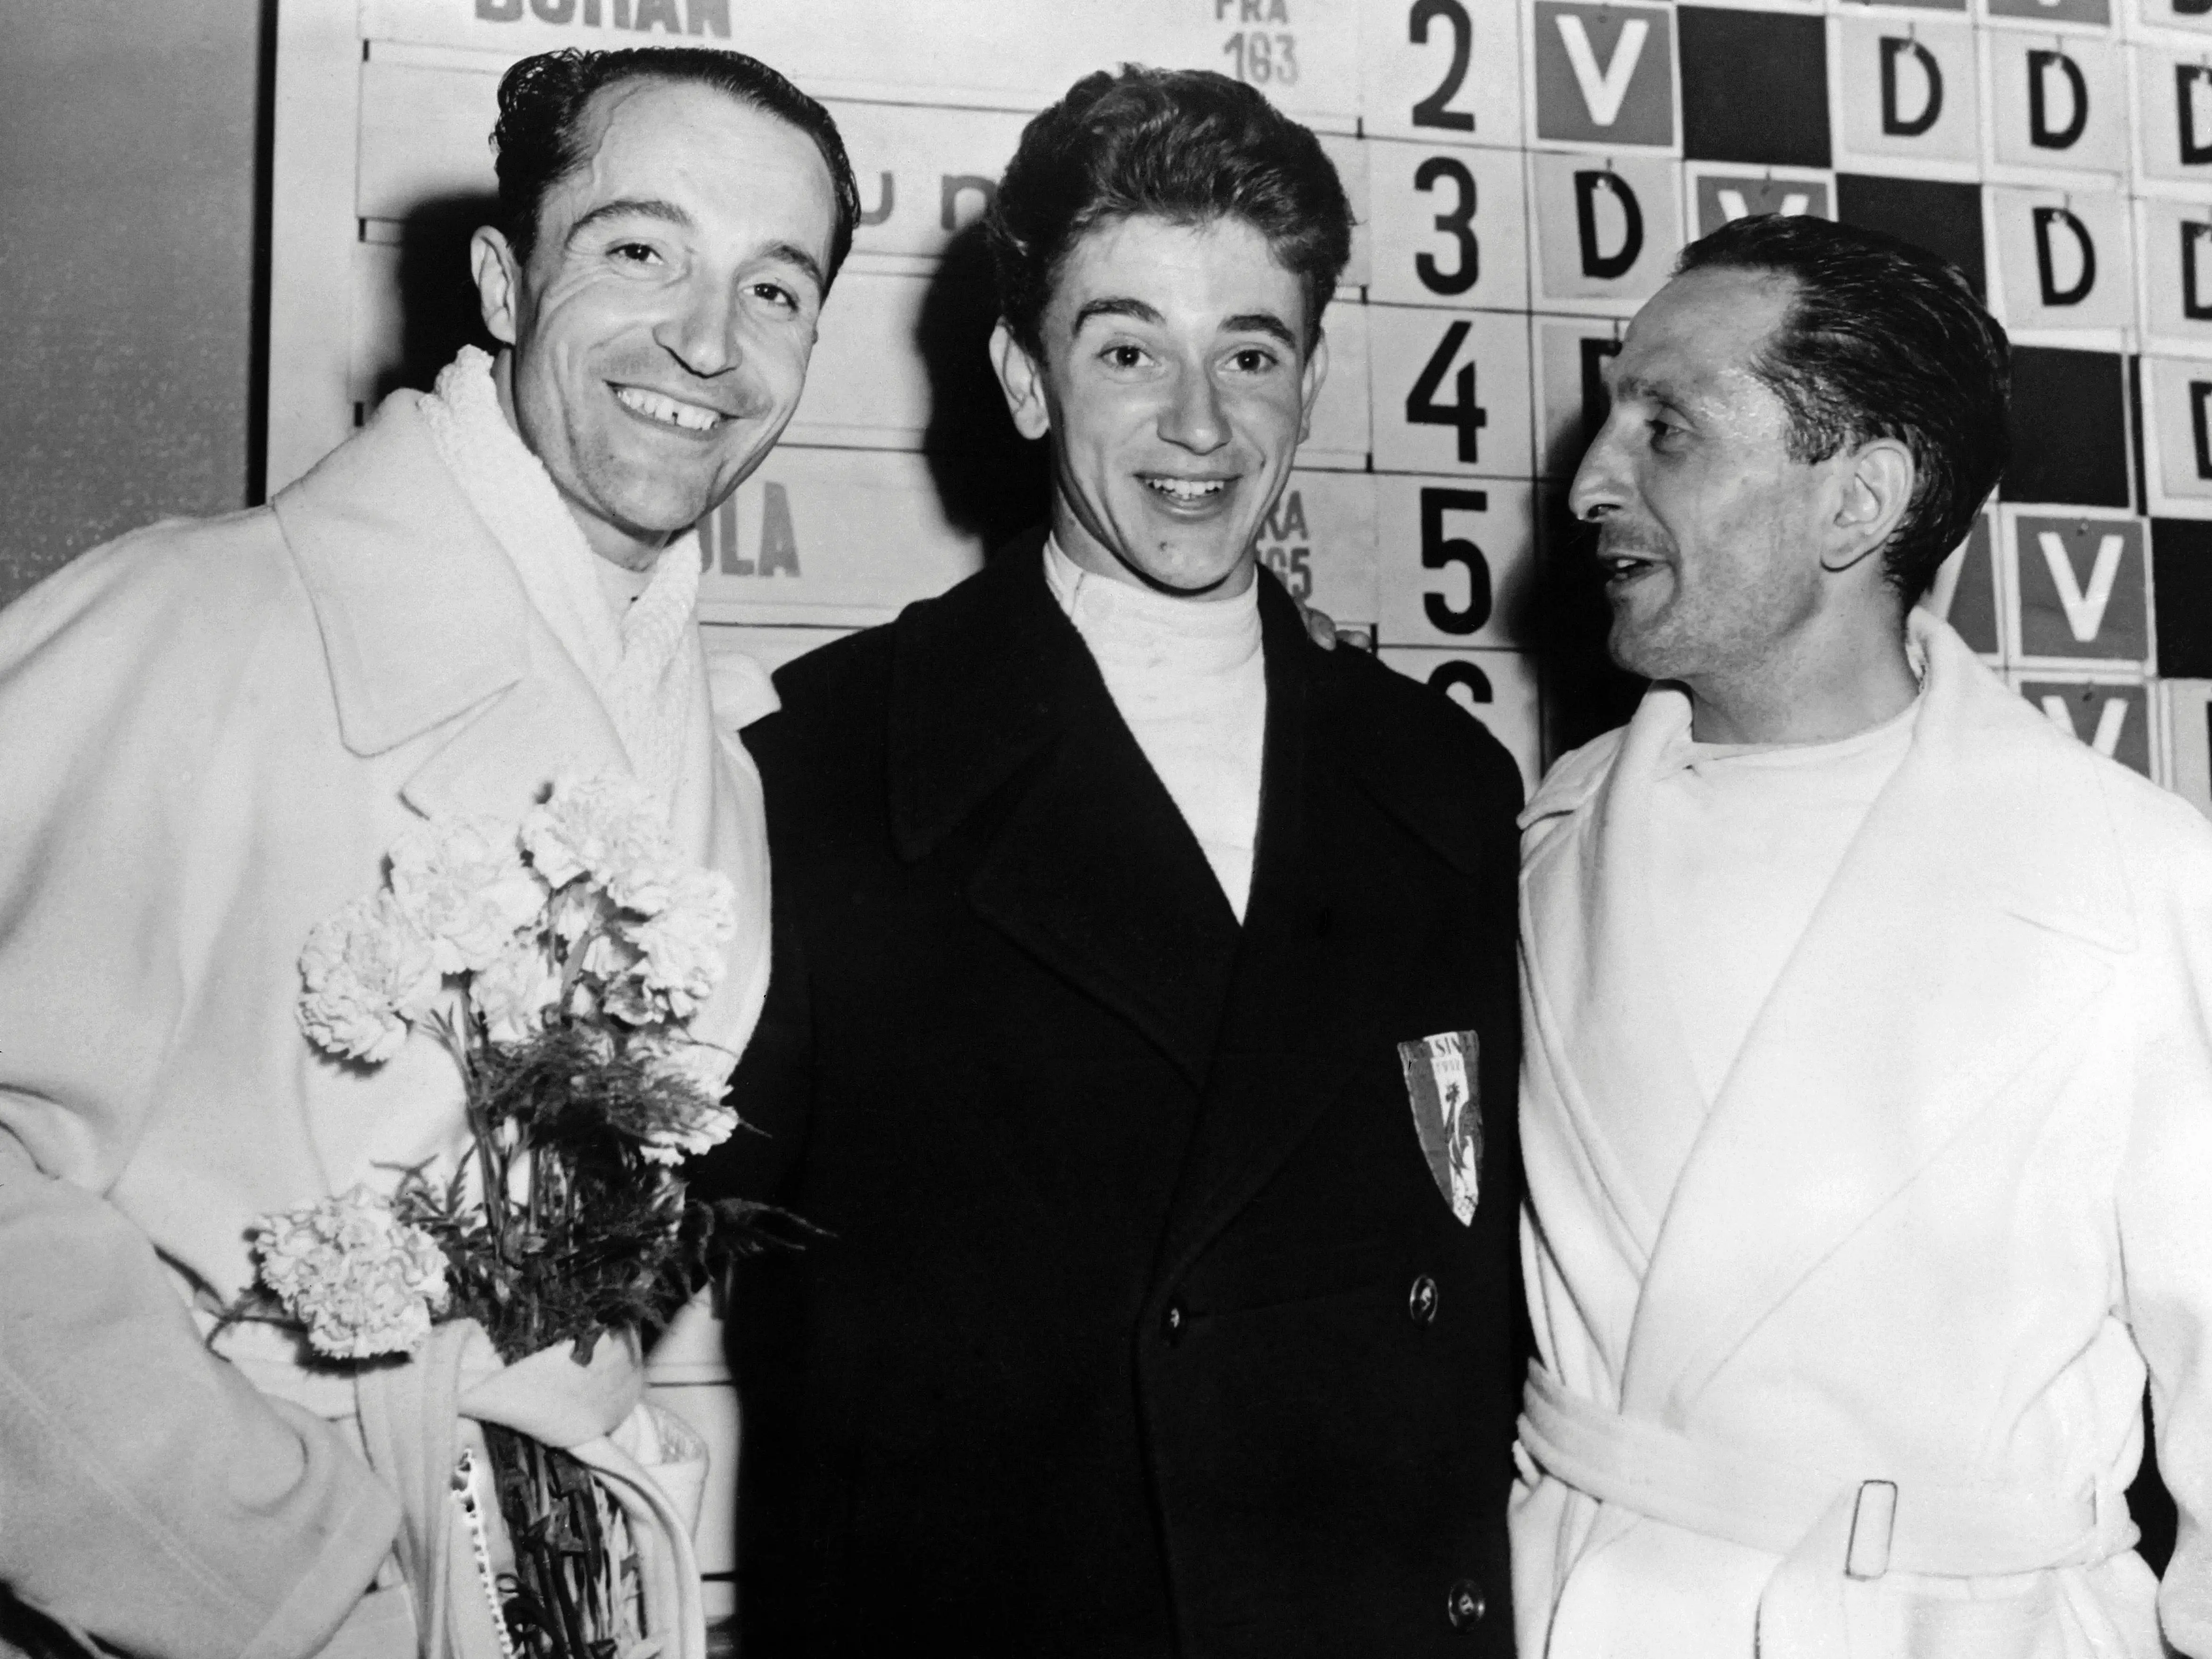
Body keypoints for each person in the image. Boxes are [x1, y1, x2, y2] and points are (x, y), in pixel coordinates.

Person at [0, 45, 857, 1657]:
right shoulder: (207, 621)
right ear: (502, 283)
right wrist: (275, 1561)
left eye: (776, 289)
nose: (706, 341)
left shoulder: (721, 769)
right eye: (639, 249)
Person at [706, 65, 1526, 1658]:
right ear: (1024, 380)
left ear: (1307, 381)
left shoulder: (1445, 785)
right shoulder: (826, 767)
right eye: (1130, 349)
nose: (1200, 424)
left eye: (1252, 353)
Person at [1513, 211, 2212, 1657]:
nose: (1590, 479)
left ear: (1858, 503)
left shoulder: (2136, 879)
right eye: (1608, 416)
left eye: (1670, 429)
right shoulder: (1542, 837)